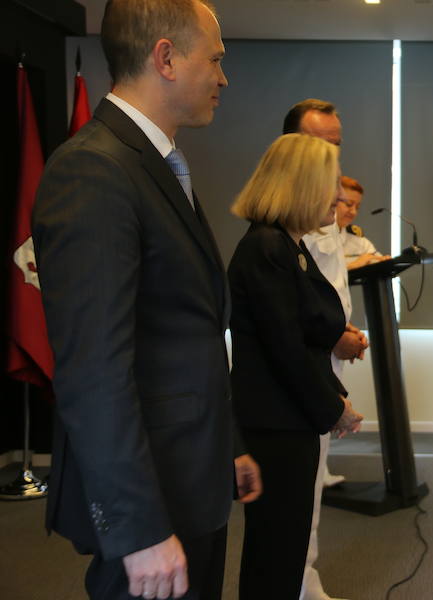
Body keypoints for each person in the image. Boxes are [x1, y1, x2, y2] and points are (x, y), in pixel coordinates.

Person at [32, 1, 261, 598]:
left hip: (192, 476)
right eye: (215, 59)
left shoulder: (154, 165)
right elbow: (93, 370)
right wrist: (136, 530)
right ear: (165, 58)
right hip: (151, 503)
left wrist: (227, 445)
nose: (223, 76)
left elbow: (187, 334)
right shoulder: (94, 170)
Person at [228, 133, 364, 600]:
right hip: (275, 425)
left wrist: (333, 395)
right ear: (302, 185)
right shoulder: (267, 248)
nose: (342, 198)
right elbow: (285, 350)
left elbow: (307, 335)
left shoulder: (289, 246)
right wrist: (334, 408)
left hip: (290, 421)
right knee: (275, 554)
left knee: (285, 551)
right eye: (332, 184)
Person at [283, 99, 367, 600]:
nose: (331, 152)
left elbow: (330, 283)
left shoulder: (329, 197)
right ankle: (298, 584)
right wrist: (333, 332)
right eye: (321, 142)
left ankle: (306, 580)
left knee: (311, 487)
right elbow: (292, 300)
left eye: (337, 143)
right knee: (297, 492)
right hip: (300, 363)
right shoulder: (290, 206)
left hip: (326, 357)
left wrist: (346, 327)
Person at [335, 176, 387, 270]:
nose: (354, 212)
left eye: (357, 207)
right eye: (349, 204)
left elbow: (376, 259)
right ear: (332, 201)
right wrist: (353, 266)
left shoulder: (356, 239)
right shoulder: (310, 235)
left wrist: (385, 262)